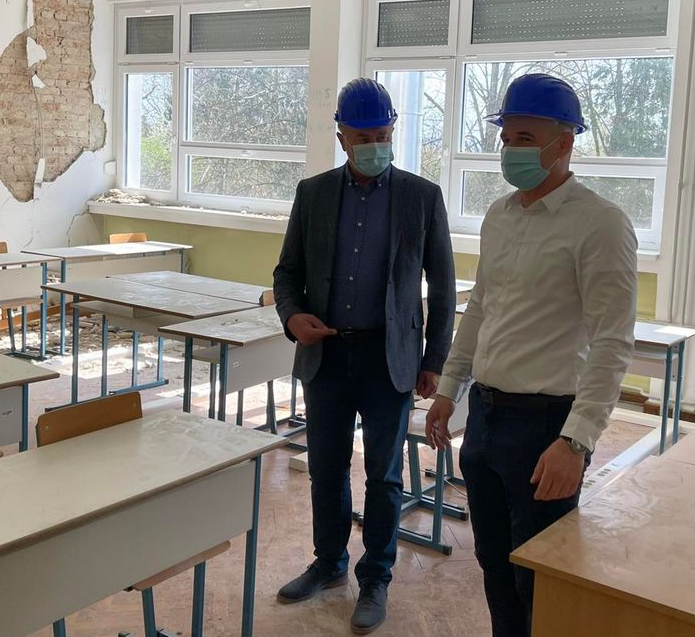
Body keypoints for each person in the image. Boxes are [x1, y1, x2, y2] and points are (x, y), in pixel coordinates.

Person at [426, 73, 637, 637]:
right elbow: (480, 309)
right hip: (486, 417)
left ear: (564, 142)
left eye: (524, 138)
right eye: (506, 138)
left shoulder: (600, 224)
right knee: (494, 564)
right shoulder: (500, 216)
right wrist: (448, 389)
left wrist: (576, 441)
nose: (510, 150)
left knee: (540, 576)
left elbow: (613, 341)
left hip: (546, 427)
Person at [273, 77, 456, 634]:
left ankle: (376, 576)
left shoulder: (422, 197)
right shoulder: (313, 194)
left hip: (388, 358)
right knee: (326, 469)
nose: (375, 145)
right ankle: (329, 563)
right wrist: (291, 317)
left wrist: (434, 359)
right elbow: (288, 273)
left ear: (393, 132)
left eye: (383, 135)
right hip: (327, 356)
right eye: (363, 137)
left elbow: (442, 286)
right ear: (342, 138)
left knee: (384, 475)